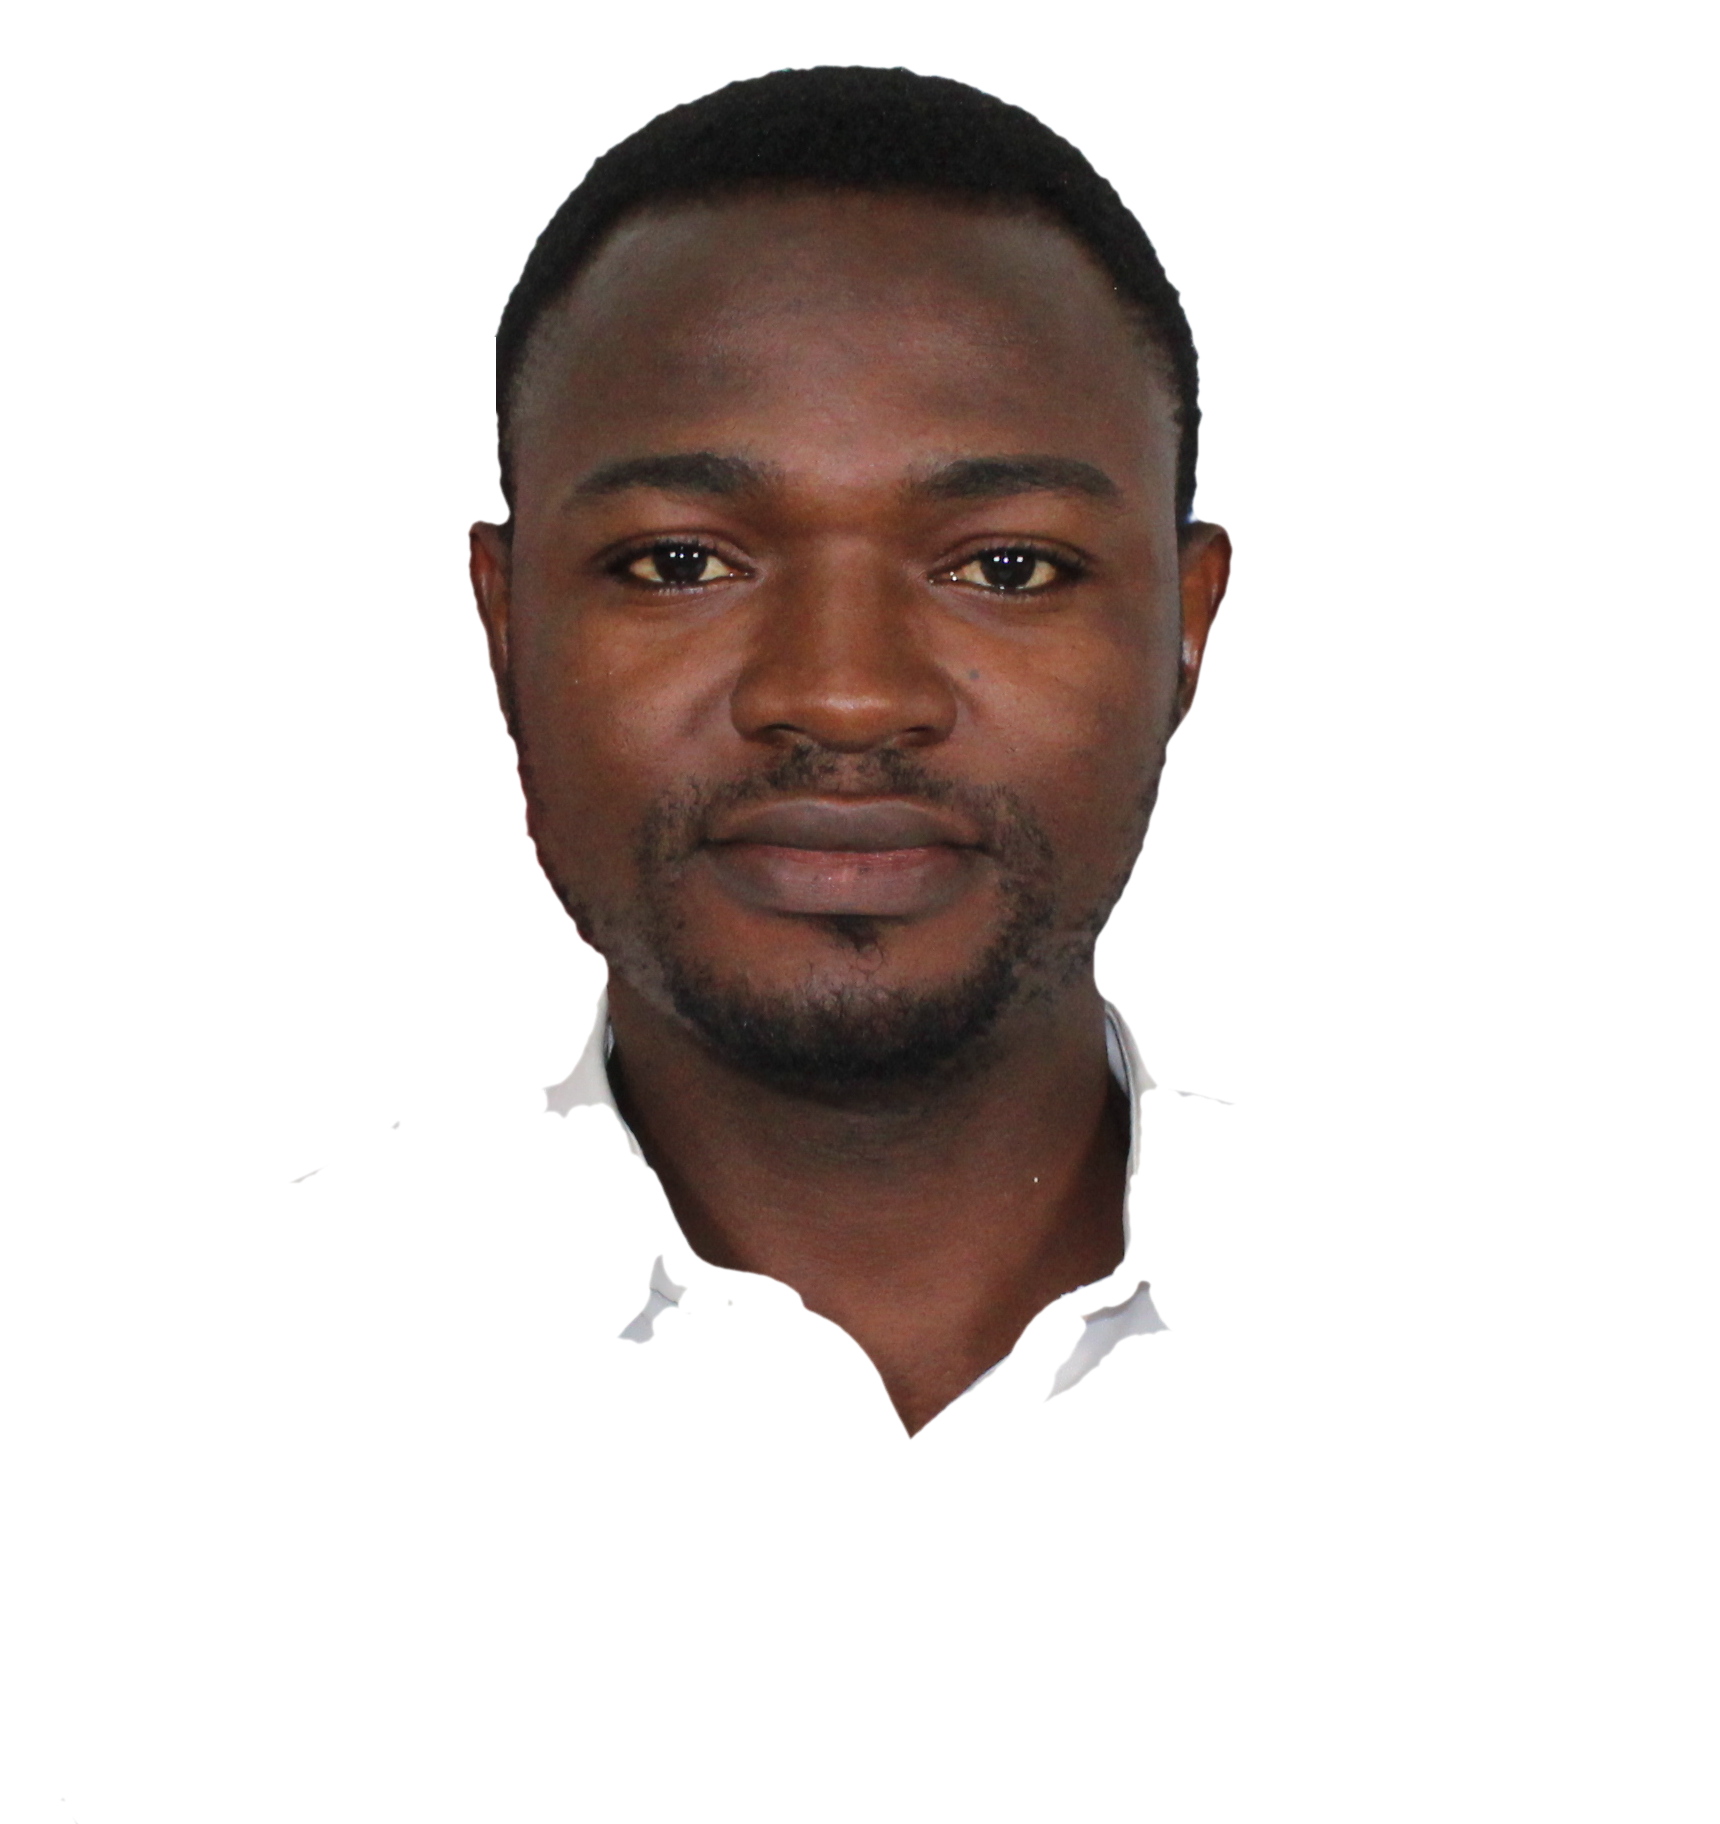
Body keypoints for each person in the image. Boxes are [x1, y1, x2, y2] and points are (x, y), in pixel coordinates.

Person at [462, 64, 1232, 1439]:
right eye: (680, 562)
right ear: (507, 625)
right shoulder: (184, 1389)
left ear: (1185, 628)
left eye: (1006, 567)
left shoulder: (1540, 1372)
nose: (844, 696)